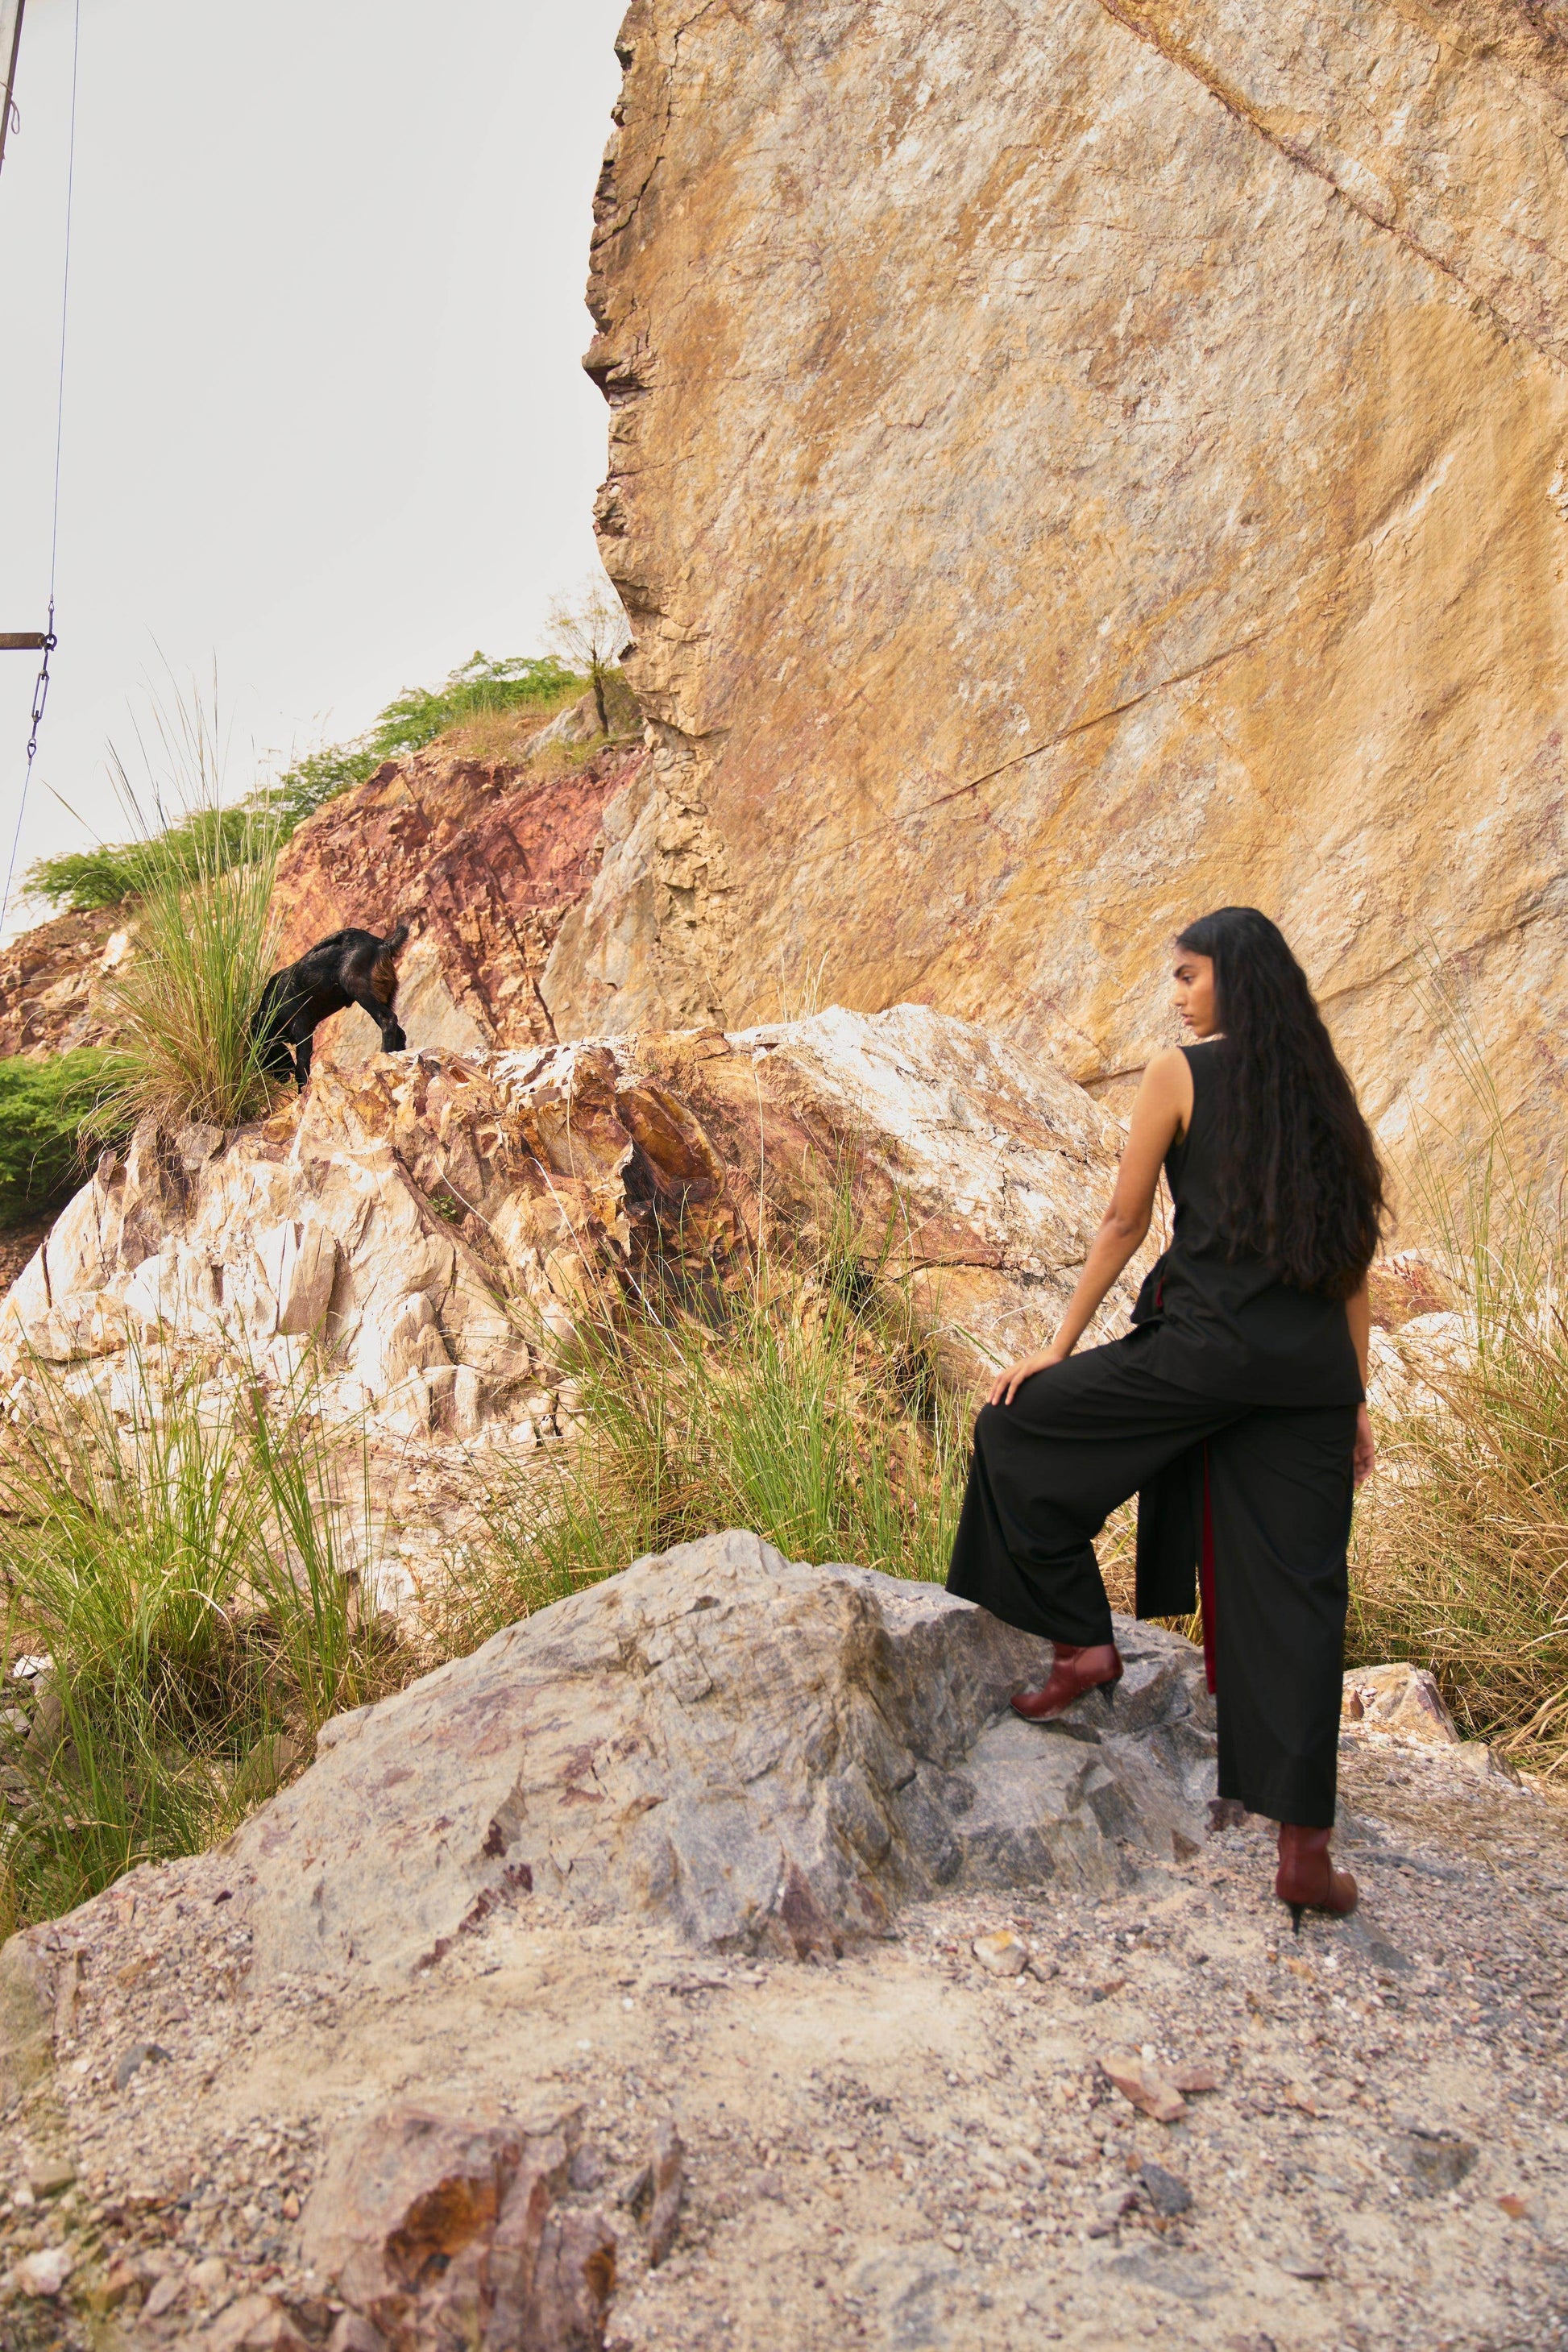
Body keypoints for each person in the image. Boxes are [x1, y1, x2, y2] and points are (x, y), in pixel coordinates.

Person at [947, 906, 1385, 1930]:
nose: (1177, 995)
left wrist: (1056, 1348)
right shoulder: (1322, 1086)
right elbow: (1349, 1257)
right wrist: (1354, 1394)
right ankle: (1302, 1855)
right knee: (1300, 1598)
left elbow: (1123, 1219)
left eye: (1188, 975)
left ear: (1232, 976)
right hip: (1308, 1381)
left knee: (1013, 1429)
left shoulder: (1179, 1073)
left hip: (1201, 1356)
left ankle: (1078, 1643)